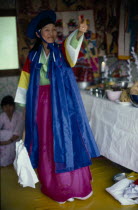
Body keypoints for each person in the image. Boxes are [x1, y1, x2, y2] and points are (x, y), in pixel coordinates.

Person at [14, 10, 100, 203]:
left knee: (69, 139)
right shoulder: (33, 56)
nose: (51, 33)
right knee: (47, 142)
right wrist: (23, 109)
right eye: (47, 30)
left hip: (63, 103)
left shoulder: (60, 51)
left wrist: (79, 33)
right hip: (41, 106)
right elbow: (25, 83)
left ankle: (77, 186)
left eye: (54, 29)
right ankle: (58, 187)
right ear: (39, 33)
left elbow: (72, 50)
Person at [0, 95, 24, 167]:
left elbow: (17, 134)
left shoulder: (19, 115)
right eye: (5, 106)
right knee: (4, 133)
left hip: (14, 141)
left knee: (9, 134)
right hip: (4, 142)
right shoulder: (2, 116)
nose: (7, 108)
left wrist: (5, 142)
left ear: (14, 106)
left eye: (10, 106)